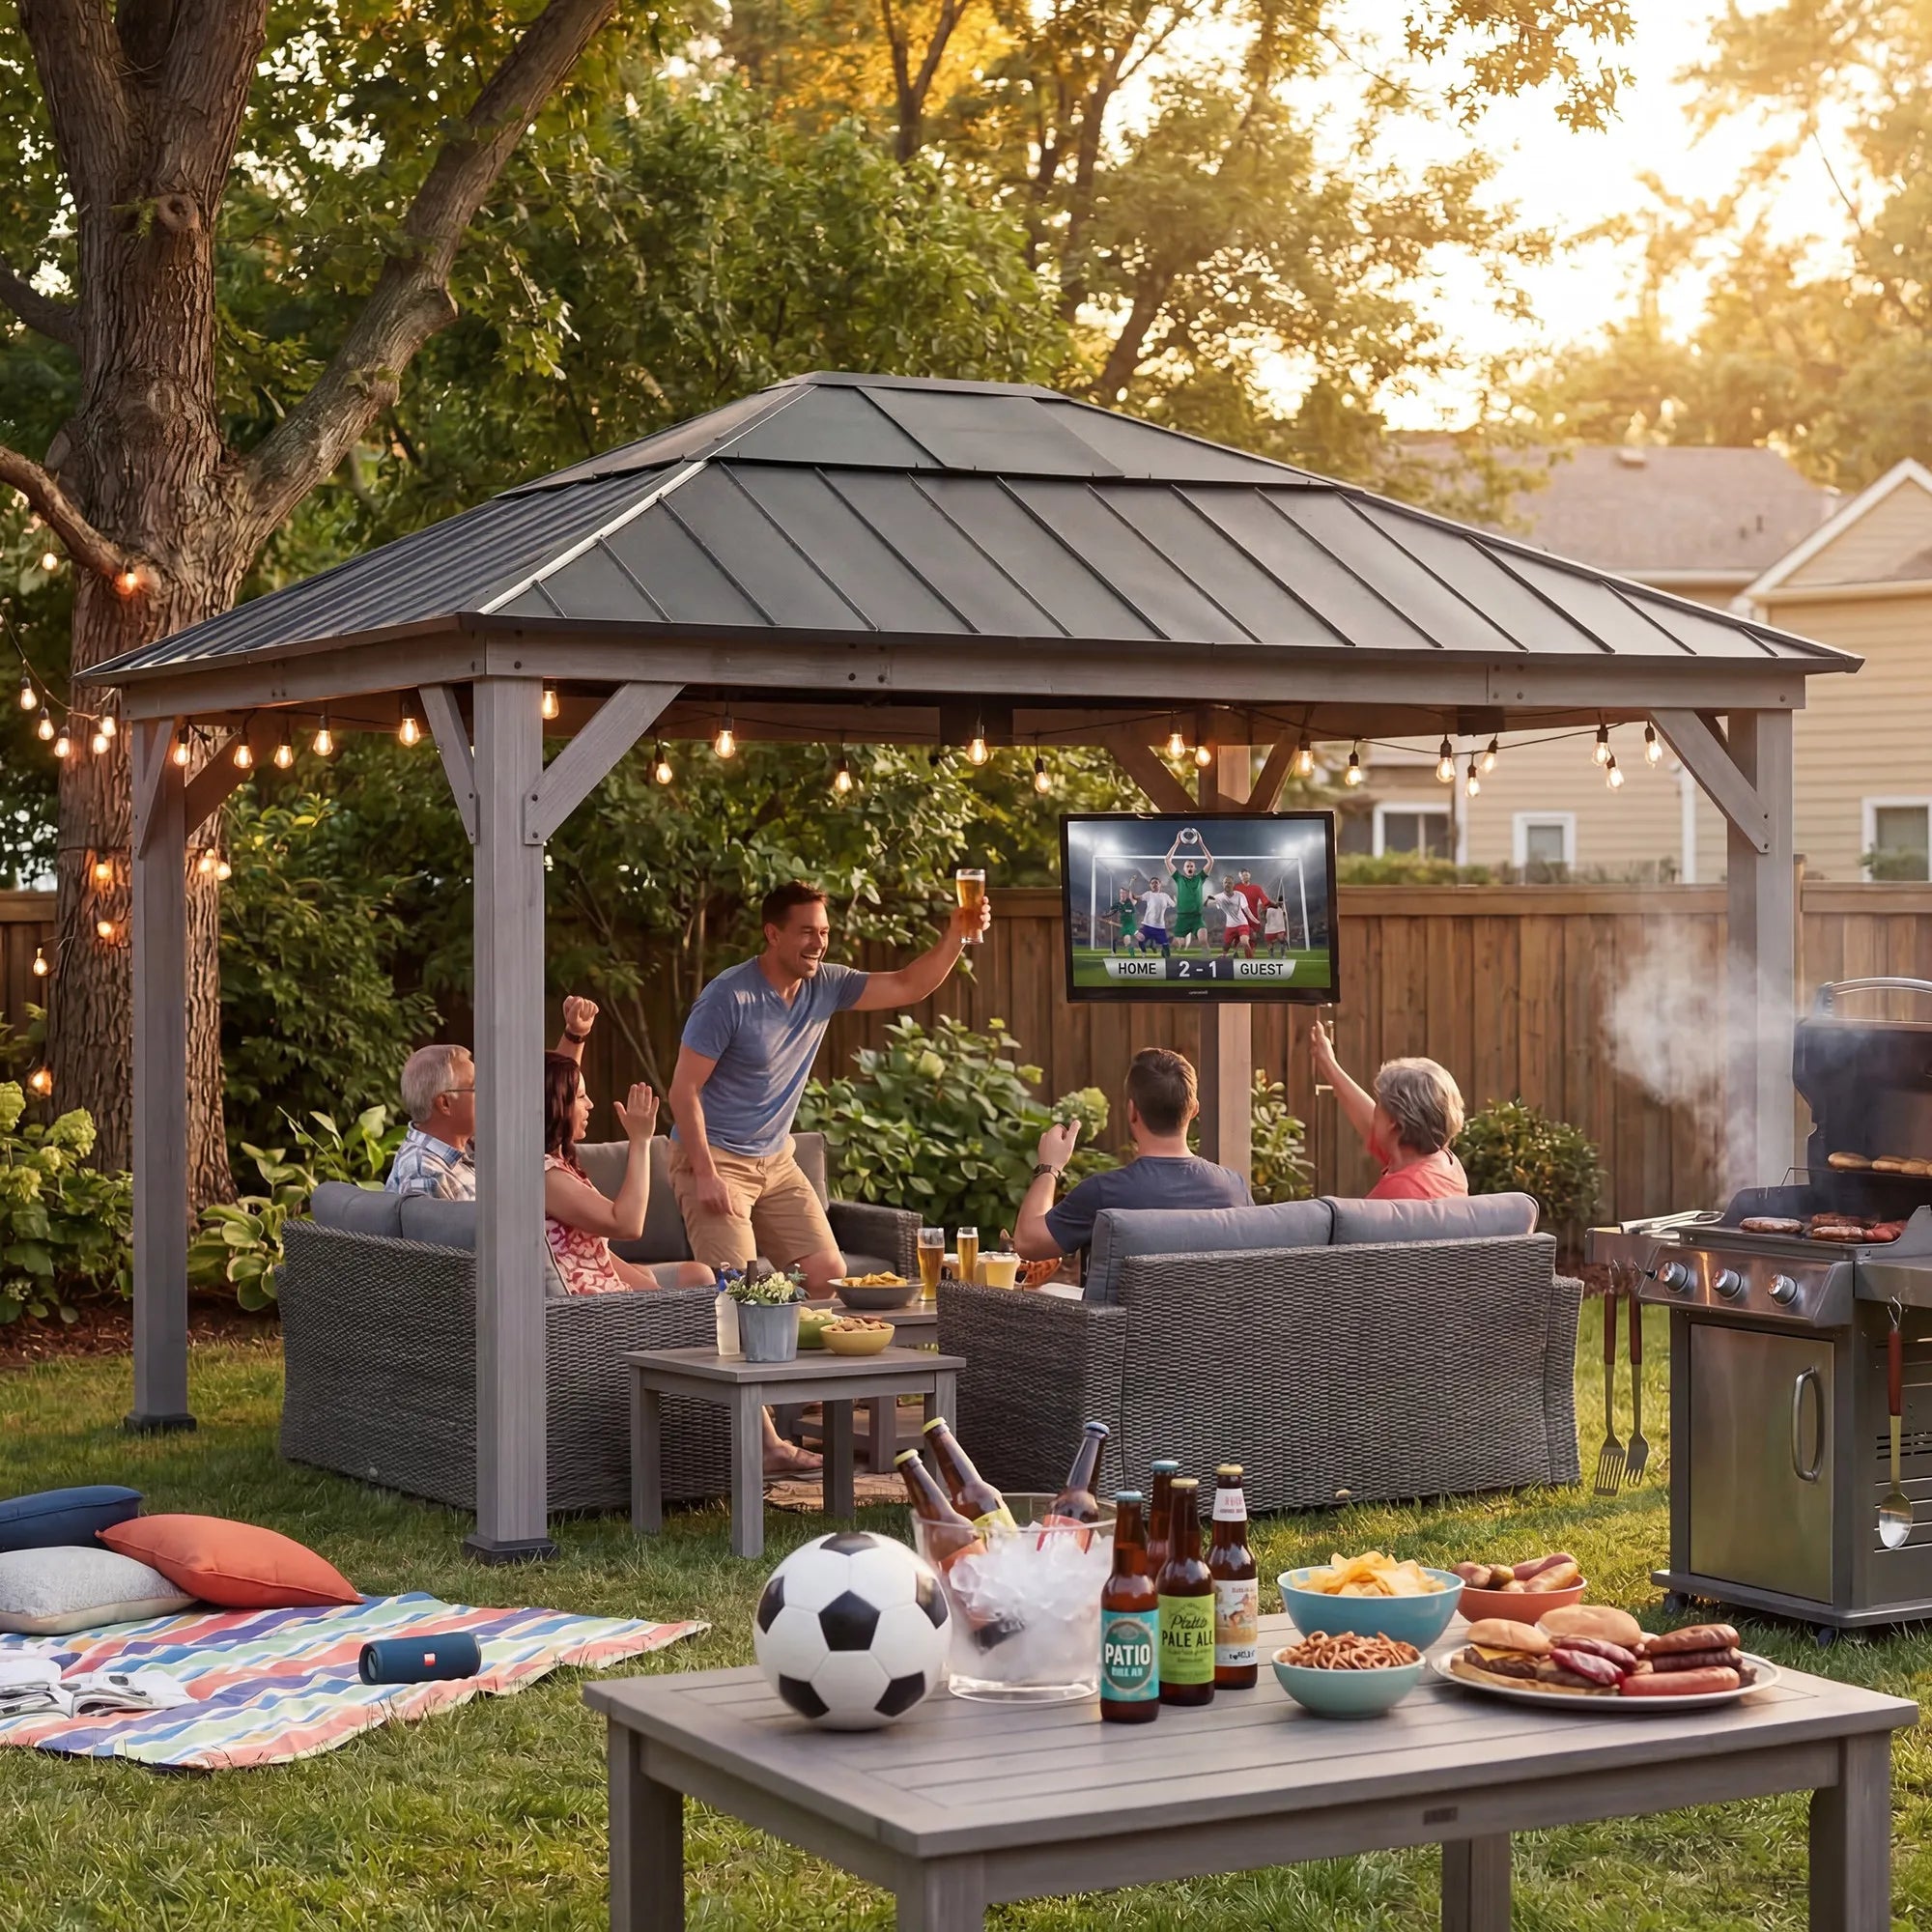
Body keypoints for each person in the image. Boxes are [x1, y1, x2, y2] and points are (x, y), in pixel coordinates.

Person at [668, 879, 990, 1291]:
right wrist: (705, 1173)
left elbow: (910, 985)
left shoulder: (826, 985)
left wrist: (958, 935)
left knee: (826, 1274)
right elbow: (684, 1090)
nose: (818, 943)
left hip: (776, 1159)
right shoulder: (728, 997)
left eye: (823, 932)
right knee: (736, 1293)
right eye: (806, 931)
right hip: (716, 1157)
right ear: (773, 934)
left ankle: (796, 1350)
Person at [1011, 1048, 1251, 1264]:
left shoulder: (1104, 1194)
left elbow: (1027, 1243)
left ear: (1132, 1111)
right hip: (1215, 1314)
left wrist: (1049, 1167)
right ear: (1194, 1111)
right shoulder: (1233, 1189)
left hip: (1127, 1315)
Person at [386, 996, 604, 1200]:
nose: (491, 1094)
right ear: (445, 1103)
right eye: (477, 1087)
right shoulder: (424, 1177)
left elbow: (553, 1099)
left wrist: (575, 1035)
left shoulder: (467, 1144)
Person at [1309, 1020, 1469, 1200]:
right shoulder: (1441, 1161)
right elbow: (1370, 1123)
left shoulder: (1400, 1194)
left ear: (1393, 1123)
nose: (1375, 1111)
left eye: (1379, 1104)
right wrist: (1328, 1064)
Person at [1137, 874, 1175, 957]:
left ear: (1160, 884)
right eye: (1152, 883)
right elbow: (1137, 898)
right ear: (1150, 885)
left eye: (1156, 883)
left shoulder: (1165, 896)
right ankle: (1144, 952)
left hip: (1160, 927)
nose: (1154, 884)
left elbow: (1173, 905)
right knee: (1140, 939)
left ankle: (1168, 963)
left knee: (1166, 948)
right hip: (1148, 925)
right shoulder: (1148, 894)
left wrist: (1175, 900)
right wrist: (1130, 895)